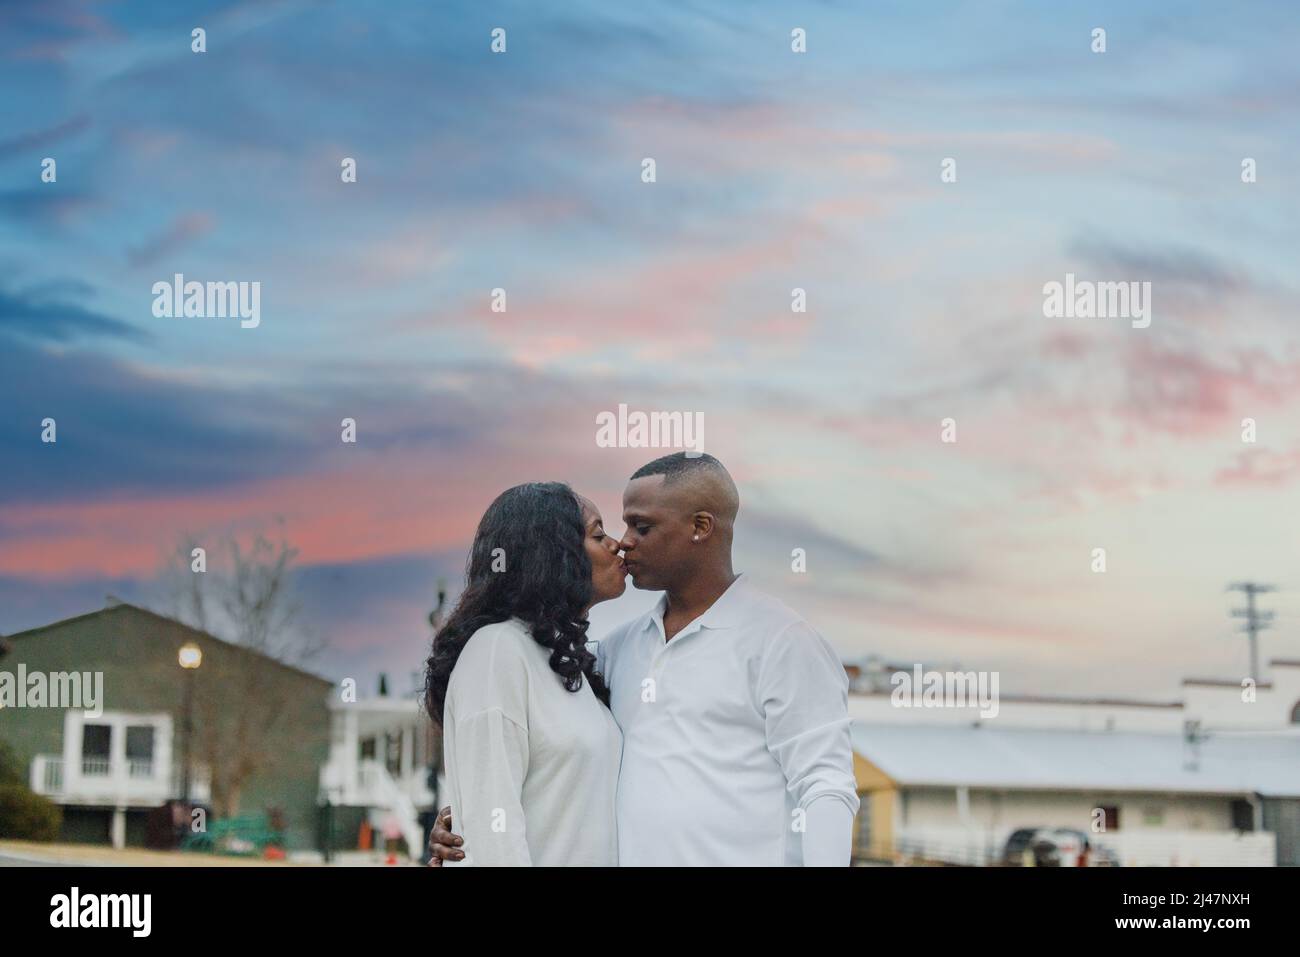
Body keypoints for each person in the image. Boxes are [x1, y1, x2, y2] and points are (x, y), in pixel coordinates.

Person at [430, 453, 859, 866]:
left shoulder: (782, 641)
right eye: (610, 530)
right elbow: (511, 773)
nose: (624, 542)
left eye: (642, 526)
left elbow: (825, 785)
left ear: (700, 527)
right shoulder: (614, 650)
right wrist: (469, 820)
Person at [422, 482, 627, 866]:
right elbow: (492, 837)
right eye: (599, 534)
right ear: (555, 555)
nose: (618, 545)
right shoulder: (497, 650)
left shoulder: (565, 662)